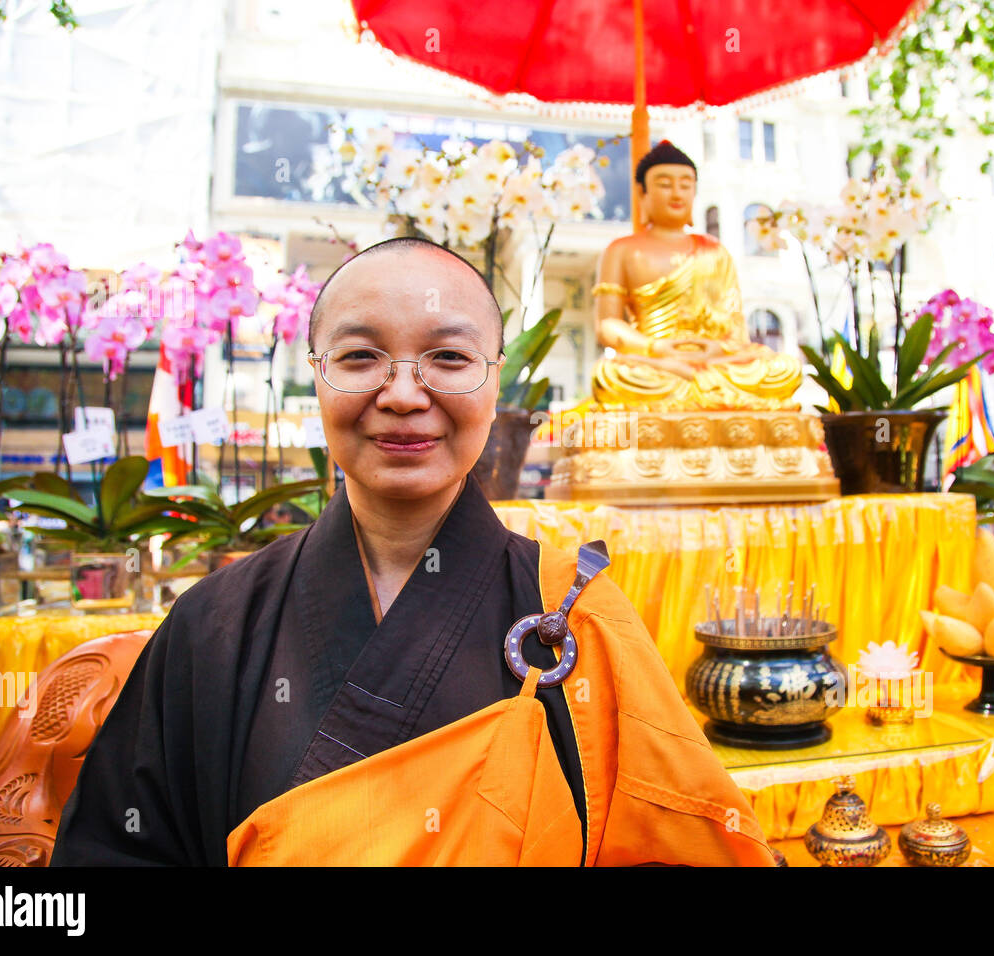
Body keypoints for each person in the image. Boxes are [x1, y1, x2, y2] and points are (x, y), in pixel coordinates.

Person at [52, 236, 776, 866]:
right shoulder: (214, 624)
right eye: (361, 356)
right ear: (316, 375)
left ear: (495, 380)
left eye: (449, 357)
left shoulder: (571, 613)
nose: (402, 394)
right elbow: (118, 851)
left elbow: (681, 842)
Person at [590, 140, 804, 411]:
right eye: (665, 185)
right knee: (611, 375)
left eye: (686, 185)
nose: (676, 193)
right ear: (642, 194)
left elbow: (736, 330)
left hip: (713, 361)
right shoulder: (621, 250)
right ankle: (715, 400)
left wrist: (719, 350)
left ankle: (694, 394)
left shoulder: (715, 251)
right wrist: (656, 348)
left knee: (784, 368)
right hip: (657, 363)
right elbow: (607, 324)